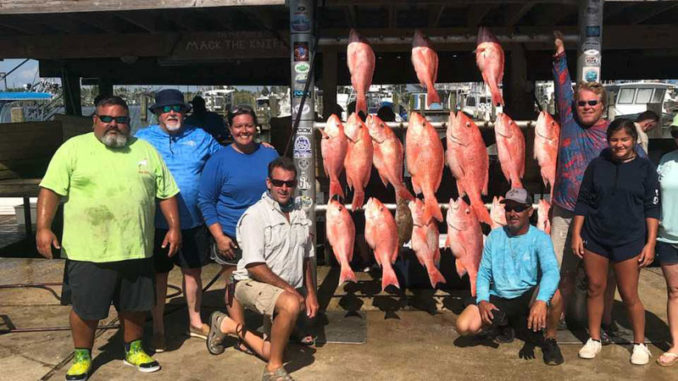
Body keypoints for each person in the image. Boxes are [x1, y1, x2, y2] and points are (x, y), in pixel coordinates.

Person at [35, 96, 180, 381]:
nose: (114, 125)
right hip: (88, 250)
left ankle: (134, 349)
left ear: (129, 122)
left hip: (136, 246)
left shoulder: (146, 150)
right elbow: (50, 190)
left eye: (121, 120)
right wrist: (43, 227)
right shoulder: (72, 149)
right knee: (86, 309)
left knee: (135, 306)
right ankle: (81, 356)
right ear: (95, 120)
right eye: (107, 119)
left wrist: (174, 227)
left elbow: (167, 192)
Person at [545, 30, 634, 345]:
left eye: (592, 102)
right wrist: (559, 53)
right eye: (581, 102)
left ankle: (606, 323)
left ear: (602, 105)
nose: (585, 106)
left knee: (603, 277)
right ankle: (560, 319)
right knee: (558, 271)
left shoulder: (612, 135)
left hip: (598, 216)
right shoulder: (568, 119)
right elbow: (561, 84)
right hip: (564, 212)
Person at [206, 157, 318, 381]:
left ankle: (226, 324)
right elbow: (255, 267)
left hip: (279, 291)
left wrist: (311, 292)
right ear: (268, 183)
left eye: (289, 183)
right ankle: (273, 370)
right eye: (278, 183)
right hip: (250, 284)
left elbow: (306, 255)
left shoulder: (300, 213)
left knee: (270, 348)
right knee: (290, 306)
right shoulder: (255, 216)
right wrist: (293, 293)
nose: (284, 188)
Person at [135, 89, 222, 352]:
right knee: (158, 276)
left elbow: (224, 158)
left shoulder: (200, 136)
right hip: (156, 224)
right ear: (157, 115)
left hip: (193, 221)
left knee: (192, 273)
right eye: (166, 109)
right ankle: (159, 327)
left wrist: (255, 147)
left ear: (184, 113)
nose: (172, 112)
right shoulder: (141, 138)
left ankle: (194, 322)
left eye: (177, 108)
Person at [572, 118, 660, 365]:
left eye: (624, 139)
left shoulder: (645, 168)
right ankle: (594, 338)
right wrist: (577, 234)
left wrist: (650, 243)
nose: (619, 144)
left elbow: (652, 209)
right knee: (595, 288)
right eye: (614, 140)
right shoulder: (597, 165)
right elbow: (584, 202)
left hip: (629, 241)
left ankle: (640, 343)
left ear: (633, 140)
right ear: (607, 140)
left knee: (629, 294)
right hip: (595, 238)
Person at [198, 105, 279, 349]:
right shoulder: (218, 160)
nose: (244, 130)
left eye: (248, 125)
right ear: (230, 130)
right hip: (231, 234)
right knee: (234, 284)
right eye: (238, 126)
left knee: (269, 283)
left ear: (256, 127)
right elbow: (205, 200)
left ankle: (270, 331)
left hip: (266, 232)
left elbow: (280, 187)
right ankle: (240, 332)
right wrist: (219, 236)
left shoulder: (269, 153)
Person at [455, 188, 562, 365]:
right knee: (463, 326)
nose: (512, 213)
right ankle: (503, 325)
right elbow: (483, 273)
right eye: (509, 208)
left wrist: (541, 300)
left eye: (518, 208)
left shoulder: (541, 238)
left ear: (530, 211)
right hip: (499, 297)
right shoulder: (494, 236)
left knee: (556, 295)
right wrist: (482, 300)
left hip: (526, 296)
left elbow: (551, 271)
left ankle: (550, 340)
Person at [655, 115, 678, 366]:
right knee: (674, 292)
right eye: (676, 133)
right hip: (668, 237)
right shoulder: (666, 161)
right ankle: (676, 344)